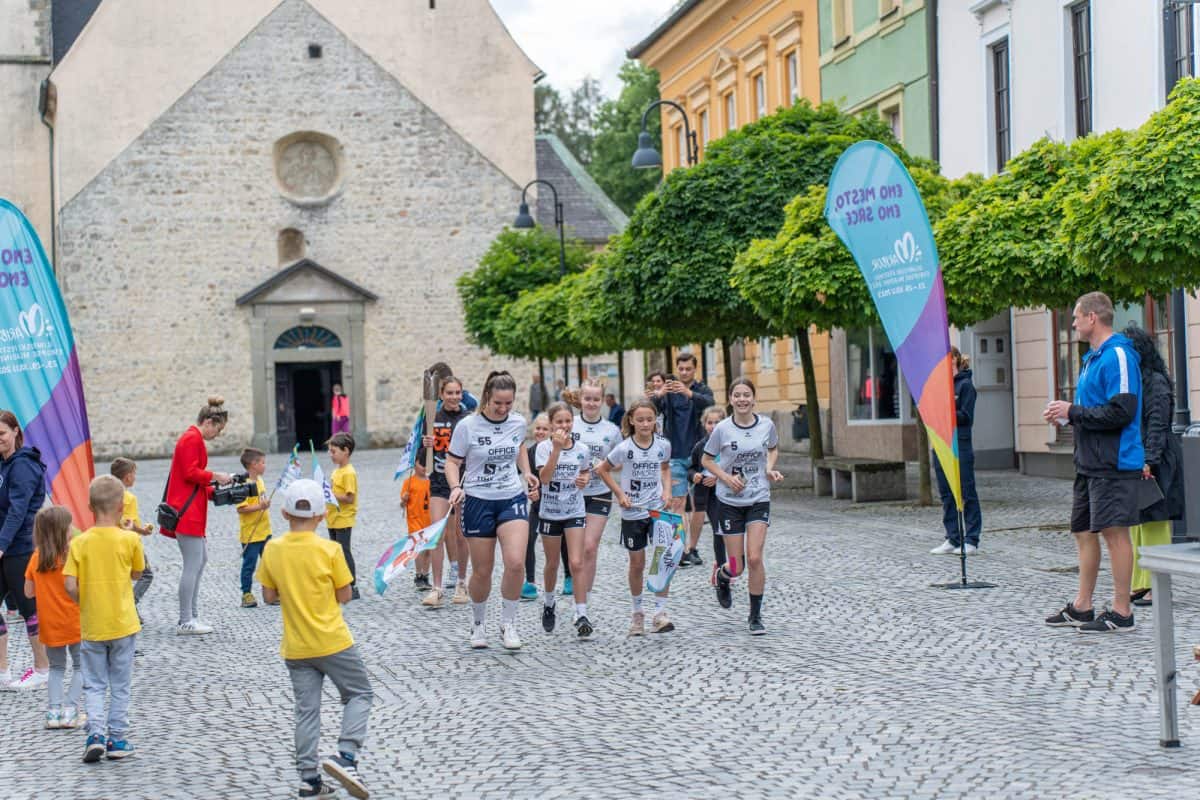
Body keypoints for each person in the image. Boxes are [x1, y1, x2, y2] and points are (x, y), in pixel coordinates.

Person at [257, 479, 372, 800]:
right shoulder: (330, 550)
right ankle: (346, 755)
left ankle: (309, 779)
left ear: (284, 513)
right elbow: (345, 595)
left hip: (296, 647)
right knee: (360, 693)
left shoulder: (272, 548)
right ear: (322, 516)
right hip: (333, 641)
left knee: (306, 711)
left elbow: (268, 596)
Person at [1043, 292, 1144, 633]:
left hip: (1114, 461)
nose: (1072, 323)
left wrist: (1073, 411)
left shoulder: (1118, 355)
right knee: (1083, 531)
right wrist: (1068, 416)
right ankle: (1082, 606)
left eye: (1076, 317)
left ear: (1092, 318)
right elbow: (1095, 411)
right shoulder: (1092, 358)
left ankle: (1122, 611)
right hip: (1089, 461)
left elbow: (1123, 410)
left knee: (1115, 533)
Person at [445, 370, 538, 650]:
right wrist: (455, 487)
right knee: (482, 570)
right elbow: (452, 462)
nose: (503, 408)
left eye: (508, 403)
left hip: (511, 497)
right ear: (487, 396)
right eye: (498, 403)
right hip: (477, 500)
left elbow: (519, 446)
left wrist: (526, 472)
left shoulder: (518, 422)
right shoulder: (468, 426)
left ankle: (508, 623)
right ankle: (478, 623)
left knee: (516, 562)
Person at [64, 475, 145, 762]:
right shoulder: (131, 539)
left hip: (93, 624)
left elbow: (69, 585)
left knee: (94, 683)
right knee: (120, 684)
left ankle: (95, 734)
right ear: (122, 506)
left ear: (90, 506)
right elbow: (137, 573)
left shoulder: (79, 543)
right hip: (123, 623)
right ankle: (117, 739)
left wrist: (84, 602)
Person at [702, 378, 783, 635]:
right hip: (729, 501)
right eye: (737, 395)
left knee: (755, 557)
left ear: (754, 398)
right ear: (730, 399)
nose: (742, 399)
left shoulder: (767, 425)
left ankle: (755, 616)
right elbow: (707, 460)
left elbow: (773, 449)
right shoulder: (722, 429)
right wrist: (726, 478)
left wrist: (769, 469)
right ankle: (723, 577)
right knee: (737, 567)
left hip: (758, 497)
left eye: (746, 394)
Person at [596, 399, 675, 636]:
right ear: (631, 420)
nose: (645, 424)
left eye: (649, 419)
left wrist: (667, 491)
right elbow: (602, 469)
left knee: (663, 559)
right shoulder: (624, 448)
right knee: (637, 563)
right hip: (633, 512)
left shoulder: (663, 444)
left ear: (655, 421)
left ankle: (660, 614)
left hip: (657, 510)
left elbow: (665, 468)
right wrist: (620, 494)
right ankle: (637, 613)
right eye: (640, 420)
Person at [1125, 325, 1184, 607]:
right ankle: (1141, 582)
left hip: (1157, 458)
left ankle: (1157, 585)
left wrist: (1149, 460)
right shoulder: (1138, 381)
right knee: (1138, 522)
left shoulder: (1156, 383)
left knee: (1155, 521)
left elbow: (1158, 425)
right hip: (1142, 455)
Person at [163, 395, 232, 636]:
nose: (217, 435)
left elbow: (190, 478)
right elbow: (191, 472)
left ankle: (191, 616)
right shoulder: (192, 438)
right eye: (218, 430)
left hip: (191, 510)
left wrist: (213, 491)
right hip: (187, 512)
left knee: (199, 561)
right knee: (192, 565)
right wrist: (216, 476)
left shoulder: (191, 438)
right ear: (209, 422)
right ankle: (186, 620)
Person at [0, 409, 50, 689]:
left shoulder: (23, 466)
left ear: (15, 431)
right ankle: (2, 671)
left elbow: (18, 511)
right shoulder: (3, 464)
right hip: (4, 546)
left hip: (20, 548)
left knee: (29, 609)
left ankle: (42, 668)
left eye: (2, 433)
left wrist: (1, 545)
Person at [566, 381, 621, 633]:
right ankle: (576, 594)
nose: (591, 403)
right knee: (574, 552)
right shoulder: (571, 424)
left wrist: (605, 465)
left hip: (599, 493)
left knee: (590, 546)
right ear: (581, 399)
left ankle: (582, 605)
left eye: (596, 399)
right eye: (587, 398)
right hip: (572, 494)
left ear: (602, 400)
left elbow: (619, 461)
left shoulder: (611, 430)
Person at [650, 353, 715, 562]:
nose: (684, 372)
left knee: (698, 506)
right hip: (675, 454)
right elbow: (649, 408)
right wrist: (659, 393)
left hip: (700, 456)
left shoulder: (702, 390)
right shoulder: (669, 392)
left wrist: (689, 393)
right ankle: (681, 550)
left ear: (695, 369)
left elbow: (711, 404)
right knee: (678, 502)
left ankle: (692, 548)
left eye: (688, 369)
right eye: (681, 369)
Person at [24, 506, 84, 730]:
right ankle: (70, 710)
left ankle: (53, 712)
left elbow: (28, 592)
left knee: (56, 668)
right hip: (76, 621)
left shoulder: (37, 557)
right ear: (63, 530)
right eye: (69, 525)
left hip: (50, 624)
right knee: (81, 666)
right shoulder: (73, 555)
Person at [535, 402, 591, 637]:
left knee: (576, 563)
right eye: (559, 422)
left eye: (568, 421)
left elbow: (585, 471)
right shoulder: (543, 448)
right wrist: (556, 450)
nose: (564, 426)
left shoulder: (582, 449)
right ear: (551, 424)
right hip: (550, 512)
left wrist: (584, 479)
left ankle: (581, 613)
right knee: (552, 563)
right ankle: (549, 603)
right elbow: (545, 478)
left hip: (574, 511)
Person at [417, 376, 471, 606]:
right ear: (441, 395)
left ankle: (461, 583)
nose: (454, 397)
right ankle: (437, 588)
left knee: (460, 534)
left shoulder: (468, 419)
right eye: (449, 393)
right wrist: (425, 446)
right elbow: (422, 460)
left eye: (457, 392)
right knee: (436, 534)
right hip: (438, 483)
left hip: (463, 482)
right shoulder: (432, 419)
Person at [930, 347, 982, 555]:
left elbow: (967, 417)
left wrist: (946, 410)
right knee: (946, 493)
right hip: (941, 443)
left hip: (960, 444)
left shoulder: (965, 385)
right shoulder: (939, 386)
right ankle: (953, 537)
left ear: (954, 360)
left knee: (967, 492)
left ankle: (971, 539)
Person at [111, 458, 155, 612]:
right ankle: (130, 605)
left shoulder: (108, 495)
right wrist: (143, 531)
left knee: (121, 577)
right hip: (130, 543)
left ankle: (128, 609)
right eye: (134, 473)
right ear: (128, 476)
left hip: (113, 541)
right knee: (146, 575)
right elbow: (127, 523)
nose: (135, 477)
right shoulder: (129, 498)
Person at [688, 406, 727, 568]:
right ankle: (721, 566)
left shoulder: (728, 445)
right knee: (718, 528)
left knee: (725, 530)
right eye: (710, 422)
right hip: (704, 493)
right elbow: (690, 468)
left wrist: (718, 478)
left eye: (717, 422)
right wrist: (694, 476)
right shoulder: (700, 446)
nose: (713, 426)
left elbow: (736, 470)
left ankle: (727, 564)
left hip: (726, 493)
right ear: (704, 425)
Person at [236, 448, 272, 608]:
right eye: (262, 462)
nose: (265, 465)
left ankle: (270, 593)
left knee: (269, 563)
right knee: (249, 565)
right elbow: (241, 508)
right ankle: (246, 594)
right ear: (253, 465)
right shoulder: (243, 485)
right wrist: (260, 506)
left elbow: (262, 500)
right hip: (251, 534)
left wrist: (264, 504)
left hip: (265, 531)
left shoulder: (260, 481)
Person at [326, 433, 360, 601]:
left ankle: (352, 586)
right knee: (335, 553)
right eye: (330, 451)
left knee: (344, 552)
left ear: (345, 451)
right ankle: (340, 584)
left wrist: (331, 494)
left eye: (333, 451)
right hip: (332, 518)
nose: (330, 455)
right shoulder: (336, 471)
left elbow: (349, 498)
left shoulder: (348, 473)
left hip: (343, 518)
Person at [522, 414, 551, 602]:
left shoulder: (555, 452)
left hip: (556, 505)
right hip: (536, 505)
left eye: (545, 429)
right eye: (538, 428)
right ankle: (530, 581)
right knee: (528, 539)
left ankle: (568, 577)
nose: (540, 432)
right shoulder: (529, 453)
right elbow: (516, 470)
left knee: (561, 543)